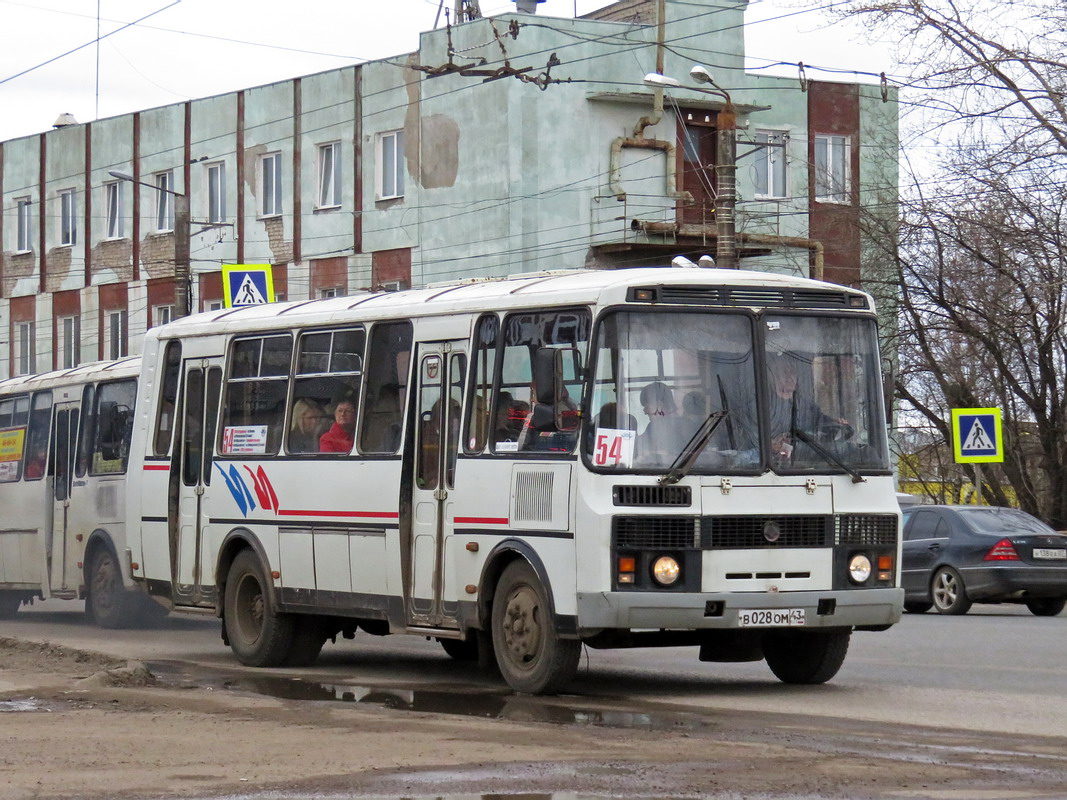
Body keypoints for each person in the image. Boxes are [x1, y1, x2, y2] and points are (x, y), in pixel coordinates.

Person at [765, 355, 848, 460]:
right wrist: (771, 445)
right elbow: (754, 440)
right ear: (773, 376)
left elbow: (820, 422)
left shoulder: (805, 406)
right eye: (785, 373)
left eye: (793, 373)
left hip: (806, 460)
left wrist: (836, 423)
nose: (790, 377)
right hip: (773, 462)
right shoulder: (762, 406)